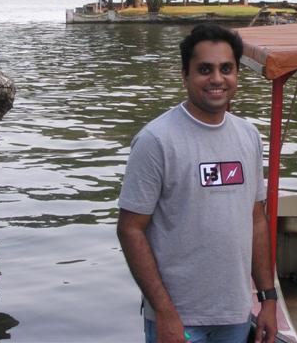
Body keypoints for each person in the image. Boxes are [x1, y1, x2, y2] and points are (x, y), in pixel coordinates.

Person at [117, 24, 278, 343]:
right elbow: (130, 229)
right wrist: (164, 312)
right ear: (185, 76)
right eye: (205, 69)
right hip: (179, 318)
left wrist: (268, 298)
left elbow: (256, 220)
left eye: (226, 69)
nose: (217, 79)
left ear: (237, 75)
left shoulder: (248, 136)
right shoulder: (156, 140)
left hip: (235, 314)